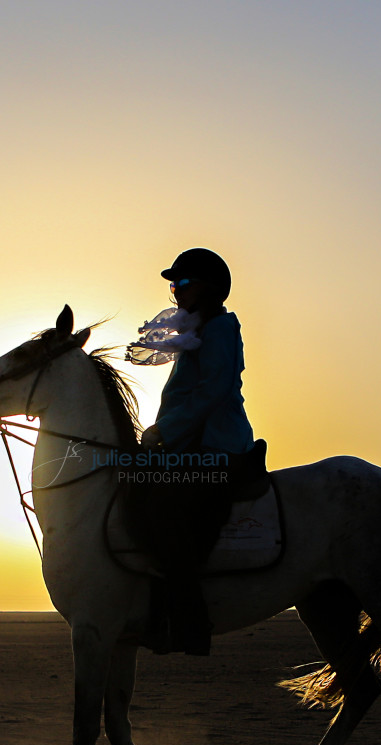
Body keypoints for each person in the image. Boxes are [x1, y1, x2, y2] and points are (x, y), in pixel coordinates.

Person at [126, 248, 257, 655]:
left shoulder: (219, 328)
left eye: (182, 283)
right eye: (172, 285)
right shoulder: (198, 330)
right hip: (187, 444)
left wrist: (164, 430)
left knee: (168, 509)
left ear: (209, 288)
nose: (175, 291)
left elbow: (212, 391)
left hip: (215, 444)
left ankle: (187, 621)